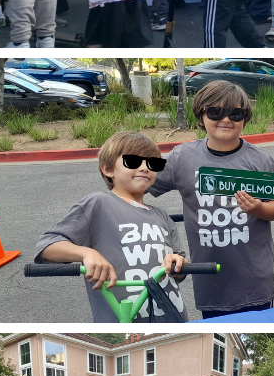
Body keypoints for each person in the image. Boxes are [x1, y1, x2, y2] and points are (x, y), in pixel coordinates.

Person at [149, 80, 274, 318]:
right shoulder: (182, 158)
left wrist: (259, 208)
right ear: (201, 116)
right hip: (211, 284)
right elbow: (141, 184)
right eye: (215, 112)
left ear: (245, 118)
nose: (226, 119)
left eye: (235, 113)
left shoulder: (261, 161)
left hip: (255, 281)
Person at [34, 131, 188, 321]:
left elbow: (181, 270)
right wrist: (87, 253)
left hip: (172, 317)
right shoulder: (99, 204)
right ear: (108, 169)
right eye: (133, 161)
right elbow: (48, 246)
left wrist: (177, 262)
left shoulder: (162, 216)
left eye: (153, 163)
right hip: (121, 320)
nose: (144, 168)